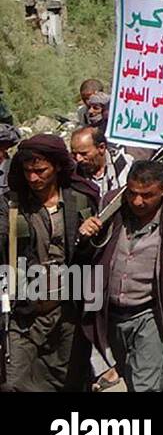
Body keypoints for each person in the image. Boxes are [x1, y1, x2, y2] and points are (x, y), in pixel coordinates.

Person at [81, 160, 163, 392]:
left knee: (145, 386)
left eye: (146, 195)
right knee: (129, 375)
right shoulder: (110, 210)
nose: (137, 201)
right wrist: (86, 233)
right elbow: (89, 255)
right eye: (132, 193)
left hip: (151, 314)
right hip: (112, 314)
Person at [1, 135, 99, 391]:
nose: (33, 178)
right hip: (22, 312)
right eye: (27, 171)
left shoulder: (80, 202)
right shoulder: (11, 206)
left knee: (66, 382)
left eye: (40, 170)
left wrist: (90, 235)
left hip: (67, 312)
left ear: (56, 166)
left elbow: (93, 257)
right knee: (12, 383)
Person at [70, 126, 133, 199]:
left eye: (83, 153)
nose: (78, 159)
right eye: (74, 154)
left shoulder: (126, 166)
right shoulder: (74, 175)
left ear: (101, 148)